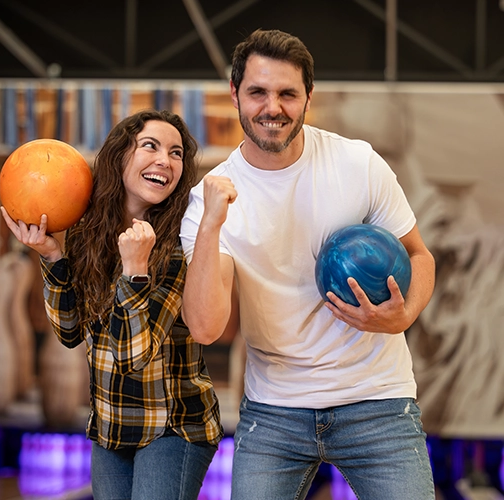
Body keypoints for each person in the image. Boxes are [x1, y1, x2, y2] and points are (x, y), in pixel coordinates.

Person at [180, 29, 436, 500]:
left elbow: (420, 255)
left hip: (376, 398)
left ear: (308, 98)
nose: (271, 107)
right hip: (275, 410)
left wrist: (406, 312)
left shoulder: (358, 164)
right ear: (235, 93)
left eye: (287, 94)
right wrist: (211, 225)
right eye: (257, 92)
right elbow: (205, 327)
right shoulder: (209, 199)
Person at [1, 109, 223, 500]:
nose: (164, 161)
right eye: (150, 146)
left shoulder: (177, 246)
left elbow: (132, 355)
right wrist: (52, 257)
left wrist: (135, 271)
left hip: (173, 427)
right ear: (120, 155)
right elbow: (69, 333)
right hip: (111, 425)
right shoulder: (89, 233)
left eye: (176, 153)